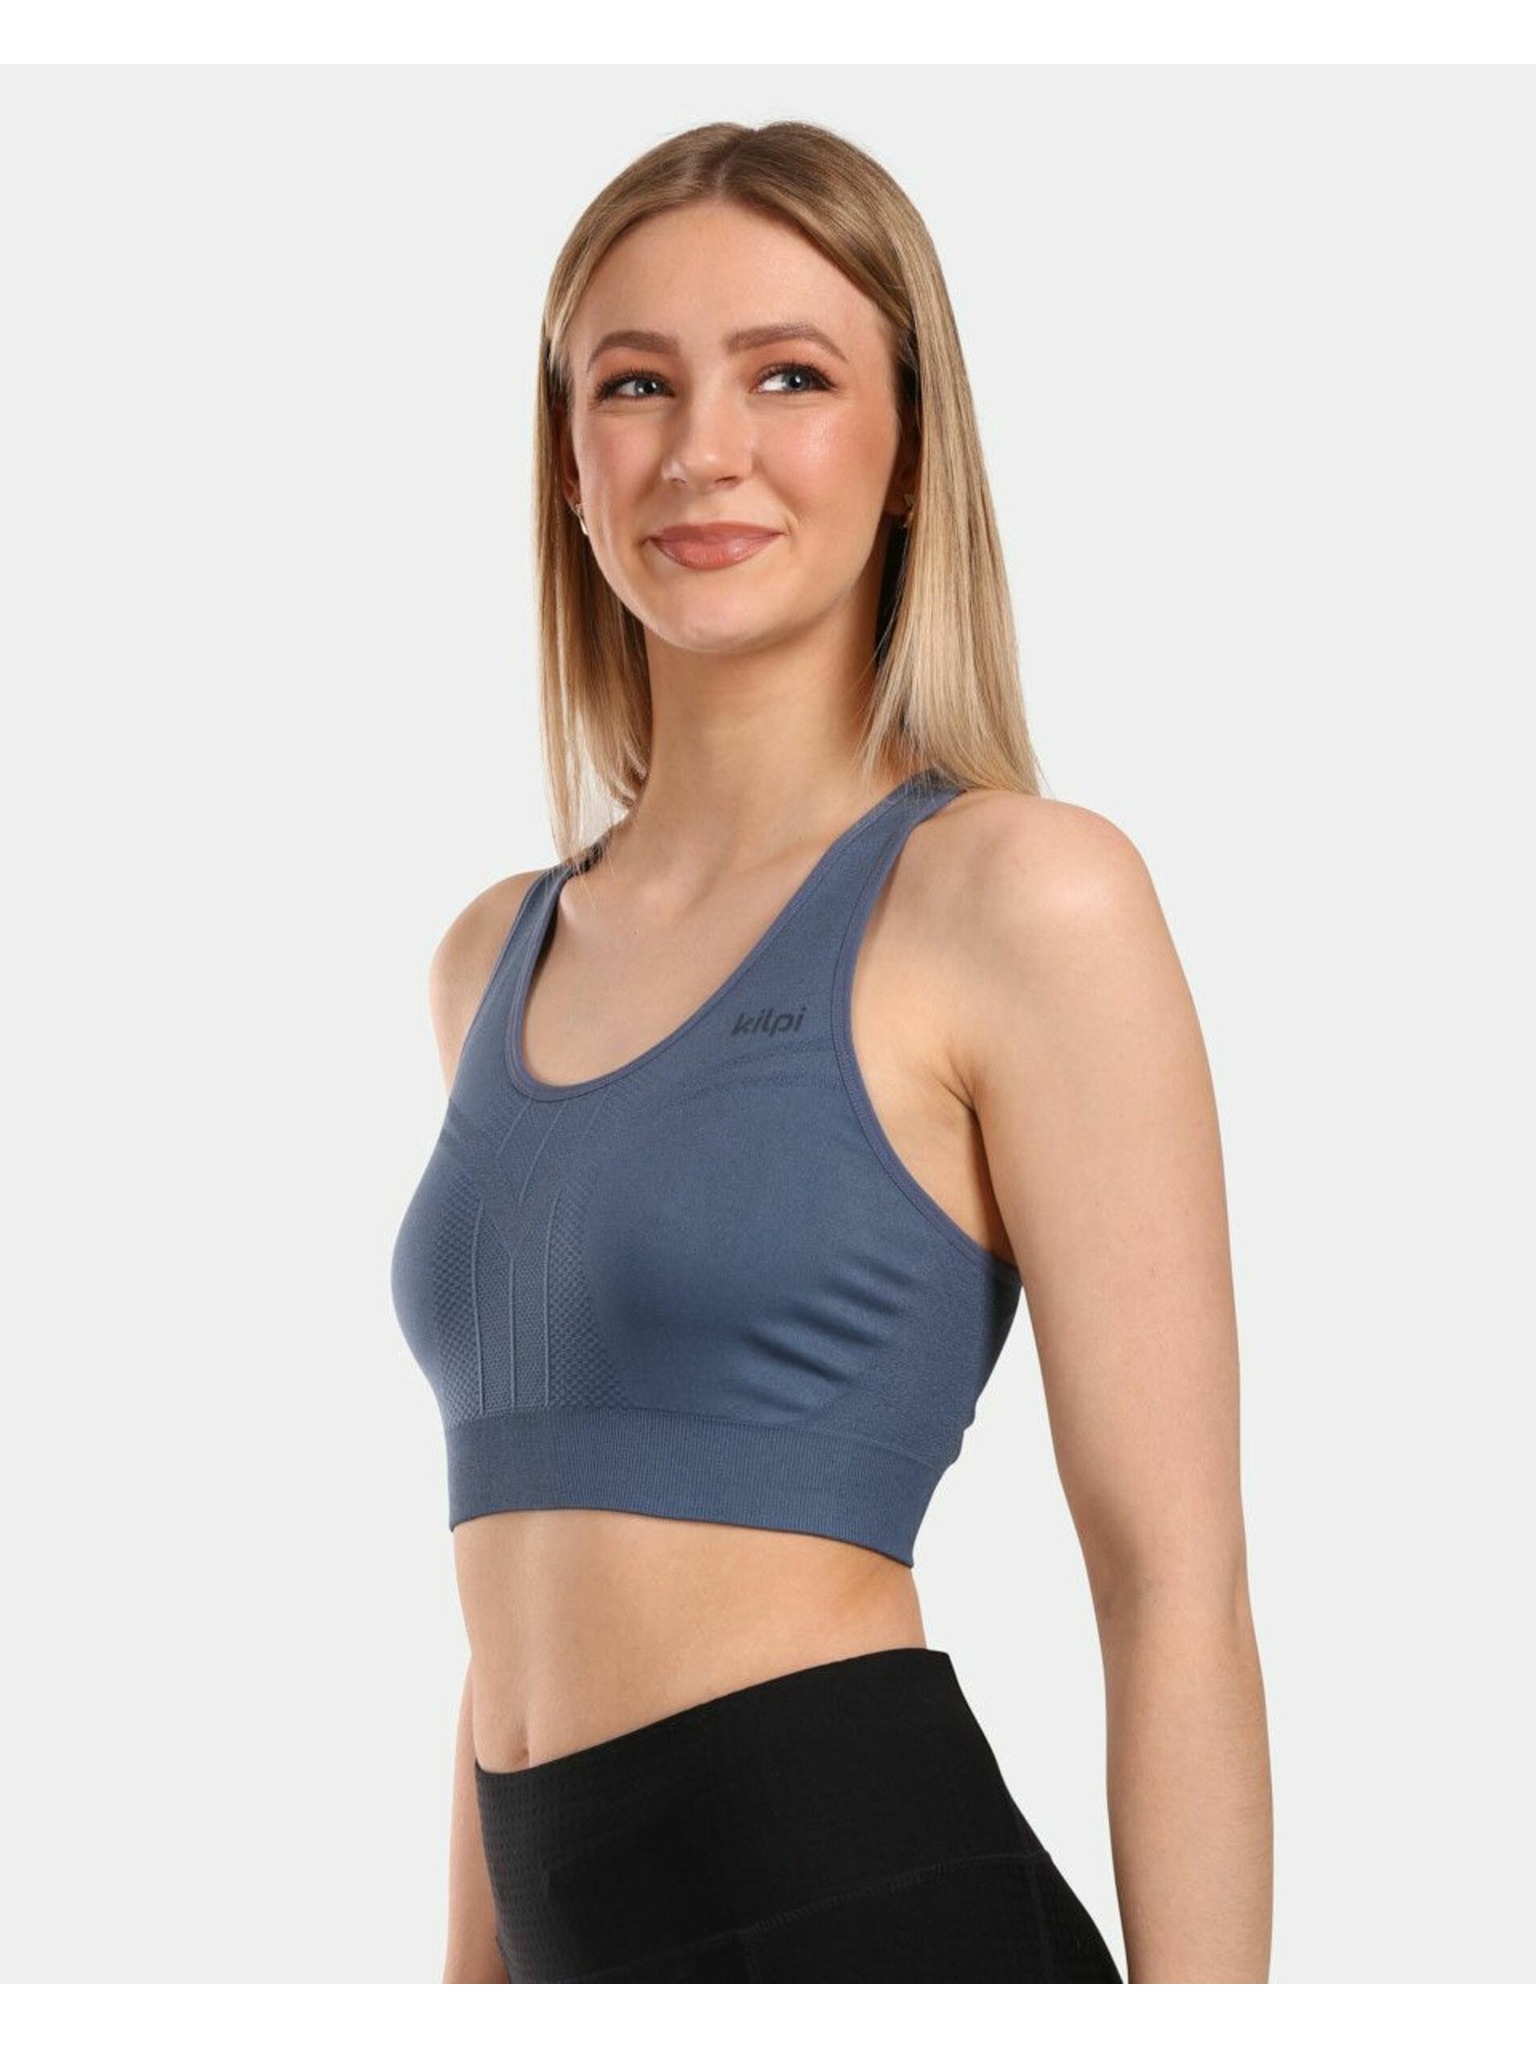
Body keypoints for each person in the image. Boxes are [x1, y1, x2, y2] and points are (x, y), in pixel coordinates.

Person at [391, 118, 1272, 1985]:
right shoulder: (493, 957)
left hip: (873, 1926)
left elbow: (1172, 1581)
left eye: (788, 375)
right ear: (568, 461)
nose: (702, 449)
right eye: (636, 383)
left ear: (911, 450)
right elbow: (511, 1602)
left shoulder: (1018, 900)